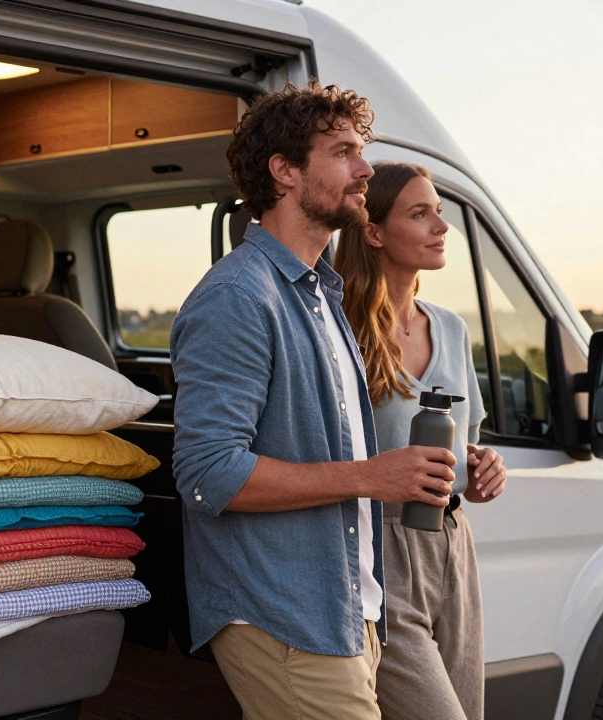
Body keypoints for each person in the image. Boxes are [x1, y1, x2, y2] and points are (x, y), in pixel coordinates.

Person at [169, 82, 461, 720]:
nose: (364, 170)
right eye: (344, 153)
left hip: (342, 607)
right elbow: (208, 472)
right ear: (284, 171)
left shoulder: (320, 294)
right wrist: (371, 477)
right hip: (283, 616)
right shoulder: (239, 298)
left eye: (363, 152)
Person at [334, 161, 508, 720]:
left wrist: (482, 471)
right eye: (420, 213)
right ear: (375, 231)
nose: (441, 225)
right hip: (380, 548)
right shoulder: (340, 329)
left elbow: (468, 446)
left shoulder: (450, 328)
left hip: (453, 544)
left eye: (438, 210)